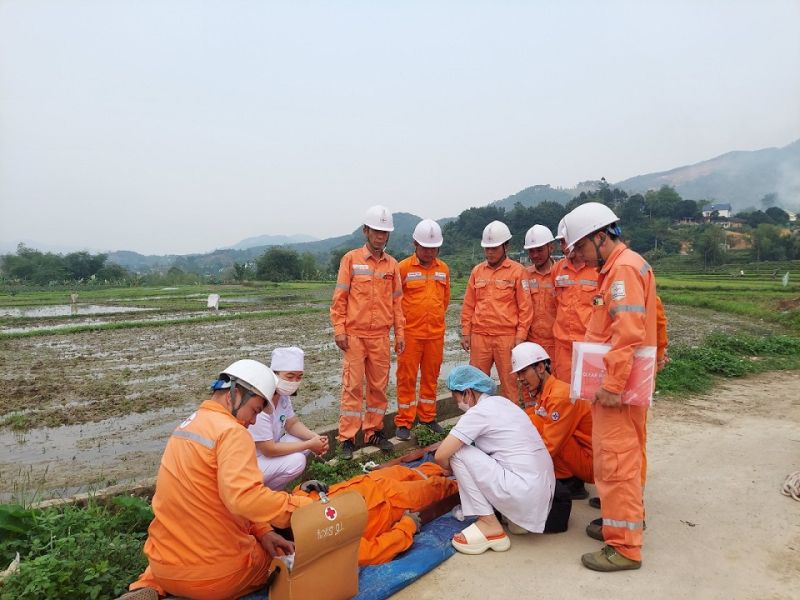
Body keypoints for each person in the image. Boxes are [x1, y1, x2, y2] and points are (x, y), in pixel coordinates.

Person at [127, 360, 314, 600]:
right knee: (280, 560)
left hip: (162, 566)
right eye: (255, 410)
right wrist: (303, 509)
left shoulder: (188, 425)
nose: (254, 421)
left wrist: (263, 531)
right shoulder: (232, 432)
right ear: (234, 394)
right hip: (215, 575)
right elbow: (246, 498)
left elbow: (221, 496)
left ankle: (151, 586)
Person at [563, 202, 658, 572]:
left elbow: (629, 332)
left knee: (616, 463)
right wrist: (657, 354)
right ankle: (618, 526)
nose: (581, 257)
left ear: (601, 236)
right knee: (625, 459)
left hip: (617, 390)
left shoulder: (622, 272)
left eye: (583, 248)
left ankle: (624, 548)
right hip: (625, 386)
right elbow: (656, 316)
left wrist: (614, 384)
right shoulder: (631, 266)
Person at [434, 365, 554, 555]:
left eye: (457, 399)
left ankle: (488, 524)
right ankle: (515, 520)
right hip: (541, 495)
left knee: (458, 453)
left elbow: (441, 454)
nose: (459, 405)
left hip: (523, 489)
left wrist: (449, 469)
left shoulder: (478, 412)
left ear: (467, 392)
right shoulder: (503, 403)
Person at [331, 205, 405, 459]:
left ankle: (373, 430)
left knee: (378, 387)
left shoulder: (392, 265)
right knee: (352, 387)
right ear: (366, 231)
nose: (380, 236)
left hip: (380, 337)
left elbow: (397, 303)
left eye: (385, 232)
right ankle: (347, 438)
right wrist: (339, 329)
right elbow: (340, 298)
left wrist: (400, 334)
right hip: (354, 336)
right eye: (376, 231)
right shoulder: (350, 260)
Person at [293, 462, 458, 565]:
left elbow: (287, 502)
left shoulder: (292, 514)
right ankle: (467, 483)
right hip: (392, 503)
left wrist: (301, 488)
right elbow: (374, 552)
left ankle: (450, 466)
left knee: (417, 471)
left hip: (372, 481)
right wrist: (407, 526)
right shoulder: (328, 546)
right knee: (437, 488)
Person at [460, 221, 533, 403]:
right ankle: (478, 423)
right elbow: (469, 305)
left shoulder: (518, 272)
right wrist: (465, 333)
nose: (489, 252)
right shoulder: (477, 271)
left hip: (506, 338)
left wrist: (520, 337)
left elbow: (526, 308)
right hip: (480, 337)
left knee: (509, 385)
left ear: (505, 246)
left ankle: (508, 426)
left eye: (494, 248)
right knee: (476, 384)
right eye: (487, 248)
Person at [511, 342, 593, 499]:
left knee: (539, 427)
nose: (520, 379)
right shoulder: (548, 391)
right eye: (518, 374)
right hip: (585, 456)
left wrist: (519, 467)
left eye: (523, 372)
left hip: (592, 464)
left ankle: (569, 481)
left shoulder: (559, 396)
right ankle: (566, 476)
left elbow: (550, 445)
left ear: (540, 368)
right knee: (529, 419)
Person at [394, 219, 451, 441]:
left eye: (434, 247)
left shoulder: (443, 269)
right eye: (425, 247)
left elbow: (444, 301)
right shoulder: (403, 268)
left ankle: (427, 417)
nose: (429, 251)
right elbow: (396, 302)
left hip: (435, 334)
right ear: (414, 244)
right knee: (406, 378)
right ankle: (404, 422)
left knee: (431, 376)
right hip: (410, 335)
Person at [248, 347, 329, 490]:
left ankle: (269, 488)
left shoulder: (282, 396)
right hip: (252, 460)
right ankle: (267, 492)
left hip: (270, 449)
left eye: (299, 377)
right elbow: (269, 449)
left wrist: (316, 438)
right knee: (297, 461)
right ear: (274, 374)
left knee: (303, 440)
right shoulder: (259, 402)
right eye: (290, 377)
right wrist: (310, 444)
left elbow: (291, 423)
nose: (294, 382)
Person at [551, 217, 600, 383]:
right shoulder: (557, 269)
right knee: (564, 391)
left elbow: (602, 305)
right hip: (563, 344)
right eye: (560, 242)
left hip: (589, 344)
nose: (563, 247)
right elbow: (556, 301)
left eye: (565, 242)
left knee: (587, 392)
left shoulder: (598, 270)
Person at [523, 224, 558, 360]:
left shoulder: (561, 275)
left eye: (539, 250)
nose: (535, 255)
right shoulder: (524, 275)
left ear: (551, 247)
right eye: (531, 251)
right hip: (531, 343)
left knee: (557, 381)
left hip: (557, 344)